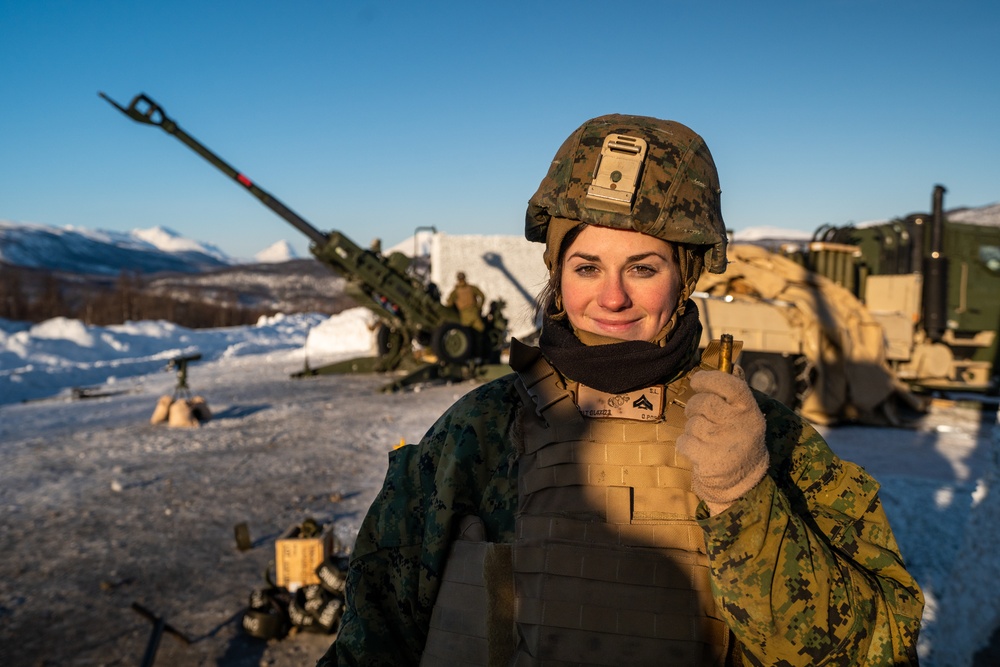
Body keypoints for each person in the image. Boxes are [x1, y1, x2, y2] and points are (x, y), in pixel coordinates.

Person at [319, 115, 923, 666]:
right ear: (557, 274)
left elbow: (881, 648)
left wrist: (745, 499)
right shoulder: (478, 430)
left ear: (684, 276)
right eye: (586, 267)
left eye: (643, 267)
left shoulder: (764, 437)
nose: (612, 298)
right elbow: (374, 637)